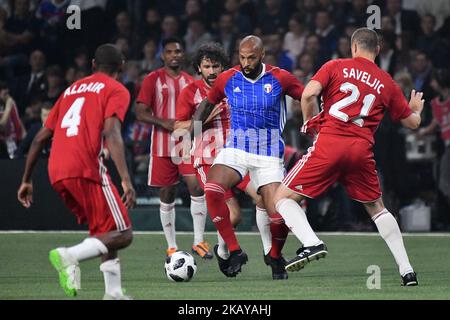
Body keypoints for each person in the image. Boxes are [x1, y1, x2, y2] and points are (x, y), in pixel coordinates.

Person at [273, 28, 423, 286]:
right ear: (377, 50)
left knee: (282, 198)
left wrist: (310, 123)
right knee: (377, 208)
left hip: (330, 143)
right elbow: (411, 123)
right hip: (360, 151)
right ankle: (407, 270)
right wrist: (416, 110)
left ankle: (311, 243)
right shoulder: (387, 81)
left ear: (353, 47)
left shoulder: (335, 65)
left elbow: (308, 94)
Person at [17, 44, 137, 299]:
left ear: (93, 64)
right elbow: (112, 132)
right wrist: (126, 179)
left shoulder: (70, 90)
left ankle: (113, 293)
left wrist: (26, 180)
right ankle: (69, 256)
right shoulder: (116, 89)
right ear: (122, 66)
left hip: (57, 170)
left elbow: (39, 138)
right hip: (86, 167)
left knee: (105, 231)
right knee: (123, 233)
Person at [193, 35, 305, 279]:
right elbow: (207, 103)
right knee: (212, 188)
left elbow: (306, 96)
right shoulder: (228, 78)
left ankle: (275, 256)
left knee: (277, 215)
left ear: (262, 55)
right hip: (237, 149)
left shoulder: (280, 77)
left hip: (268, 154)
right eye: (242, 57)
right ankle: (234, 250)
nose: (246, 62)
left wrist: (313, 120)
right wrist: (194, 129)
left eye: (251, 58)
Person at [173, 43, 274, 278]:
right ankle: (225, 252)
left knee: (262, 197)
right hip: (209, 160)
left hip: (238, 155)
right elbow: (178, 127)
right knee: (235, 215)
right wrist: (206, 118)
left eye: (215, 65)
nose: (212, 71)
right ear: (199, 68)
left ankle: (270, 253)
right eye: (206, 66)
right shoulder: (190, 92)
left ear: (222, 66)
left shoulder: (233, 84)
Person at [135, 37, 212, 259]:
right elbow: (140, 112)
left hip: (187, 143)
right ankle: (171, 246)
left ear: (183, 54)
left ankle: (198, 241)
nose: (174, 55)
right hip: (161, 146)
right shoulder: (152, 79)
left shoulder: (191, 81)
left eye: (178, 51)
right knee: (167, 193)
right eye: (170, 52)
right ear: (163, 55)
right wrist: (164, 122)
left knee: (197, 187)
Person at [0, 81, 26, 158]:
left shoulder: (10, 102)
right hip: (2, 146)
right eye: (5, 94)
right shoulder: (9, 104)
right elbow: (2, 127)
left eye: (8, 94)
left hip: (15, 142)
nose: (8, 97)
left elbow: (17, 119)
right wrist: (8, 108)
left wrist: (24, 135)